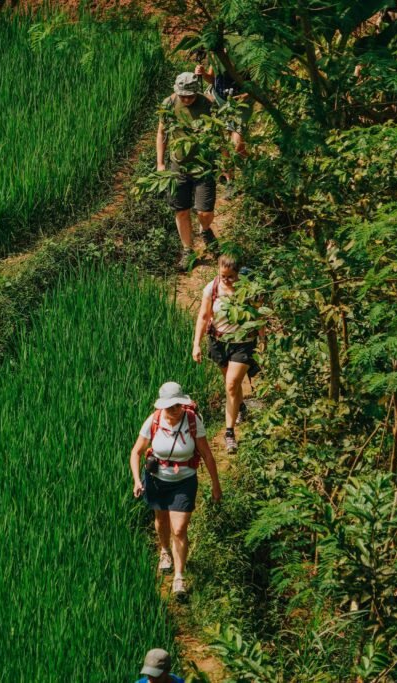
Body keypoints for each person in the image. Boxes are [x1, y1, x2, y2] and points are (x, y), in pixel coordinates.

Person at [130, 382, 221, 597]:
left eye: (178, 405)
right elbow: (136, 452)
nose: (175, 410)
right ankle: (164, 551)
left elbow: (207, 454)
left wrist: (216, 484)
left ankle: (179, 578)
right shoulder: (153, 421)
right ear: (162, 406)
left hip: (184, 481)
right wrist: (136, 480)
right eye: (170, 407)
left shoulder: (192, 421)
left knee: (179, 529)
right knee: (161, 520)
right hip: (156, 480)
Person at [192, 253, 261, 454]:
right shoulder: (211, 288)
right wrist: (196, 344)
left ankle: (229, 434)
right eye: (223, 275)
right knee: (231, 384)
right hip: (219, 341)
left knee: (231, 384)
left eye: (230, 276)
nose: (226, 280)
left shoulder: (249, 290)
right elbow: (204, 316)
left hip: (243, 342)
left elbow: (260, 315)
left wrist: (263, 340)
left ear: (239, 274)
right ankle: (241, 408)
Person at [157, 72, 218, 270]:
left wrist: (225, 161)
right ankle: (188, 251)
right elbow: (162, 133)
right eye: (183, 96)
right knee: (181, 211)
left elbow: (218, 134)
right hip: (178, 166)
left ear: (196, 92)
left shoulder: (208, 104)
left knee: (204, 211)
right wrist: (160, 163)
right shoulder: (168, 104)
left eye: (190, 96)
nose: (186, 99)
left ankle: (205, 230)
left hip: (203, 165)